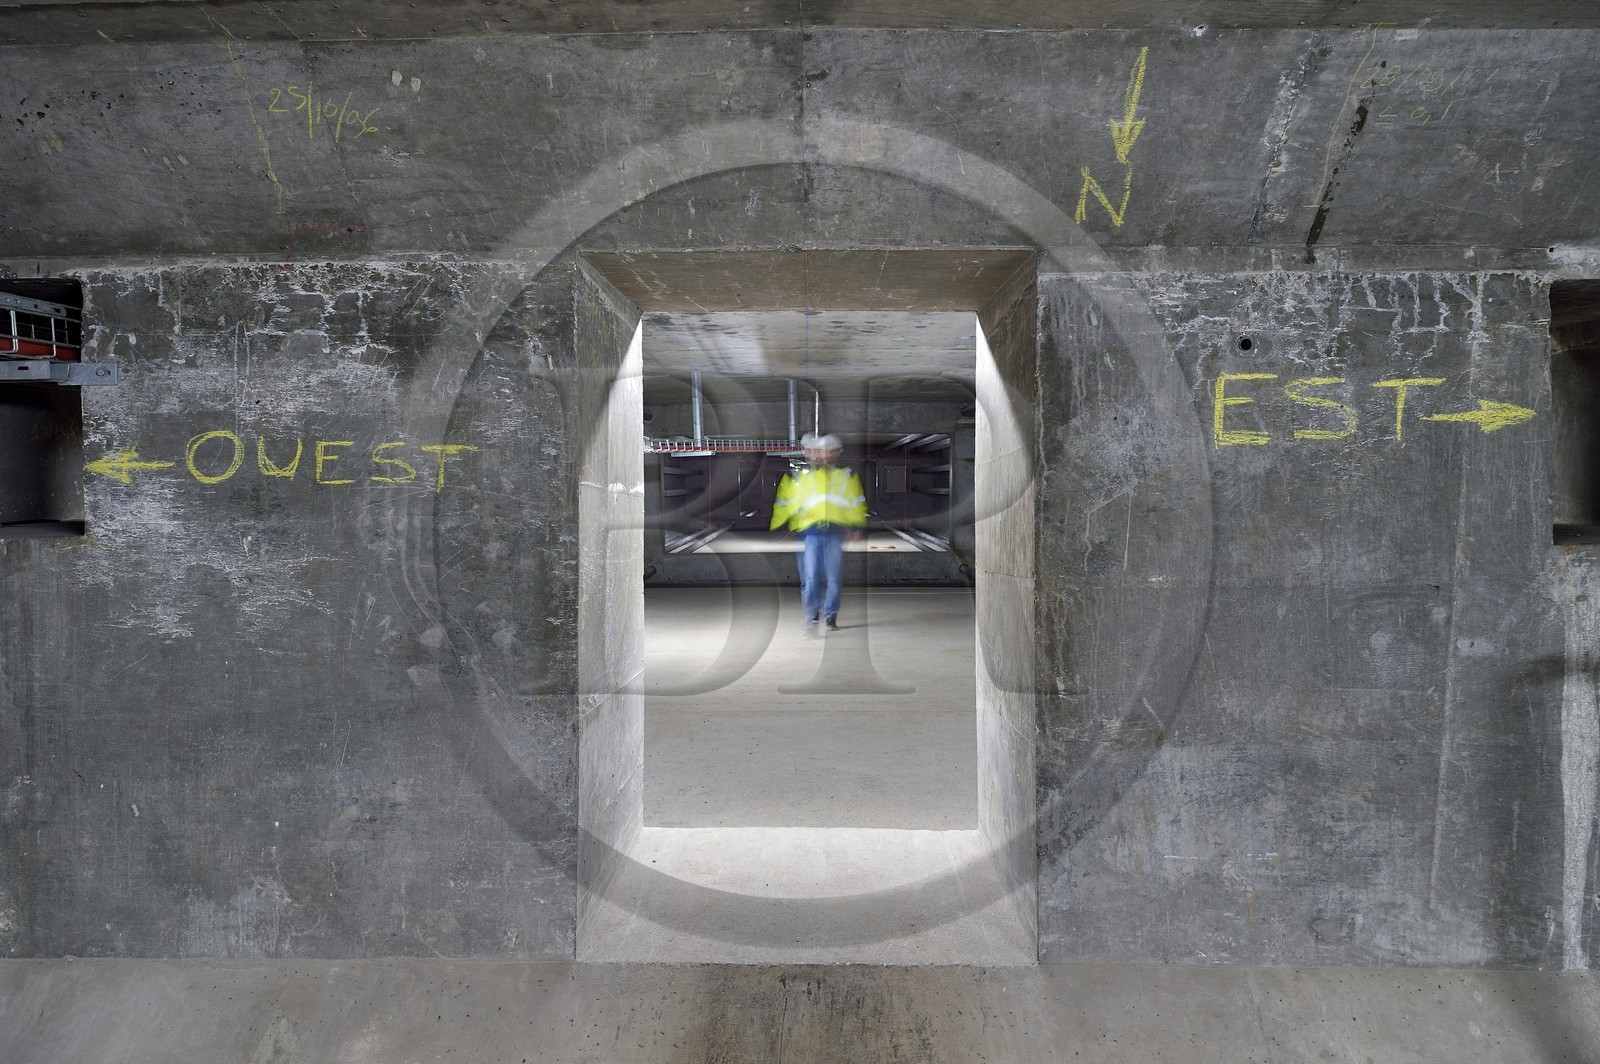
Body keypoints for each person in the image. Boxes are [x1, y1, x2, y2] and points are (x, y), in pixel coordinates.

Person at [770, 432, 866, 633]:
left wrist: (856, 526)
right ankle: (812, 618)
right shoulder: (796, 478)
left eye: (823, 451)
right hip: (808, 534)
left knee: (833, 578)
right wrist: (778, 530)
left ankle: (831, 616)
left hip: (834, 533)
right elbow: (784, 505)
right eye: (813, 451)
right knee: (810, 577)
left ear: (835, 454)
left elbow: (856, 504)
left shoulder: (845, 477)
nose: (818, 455)